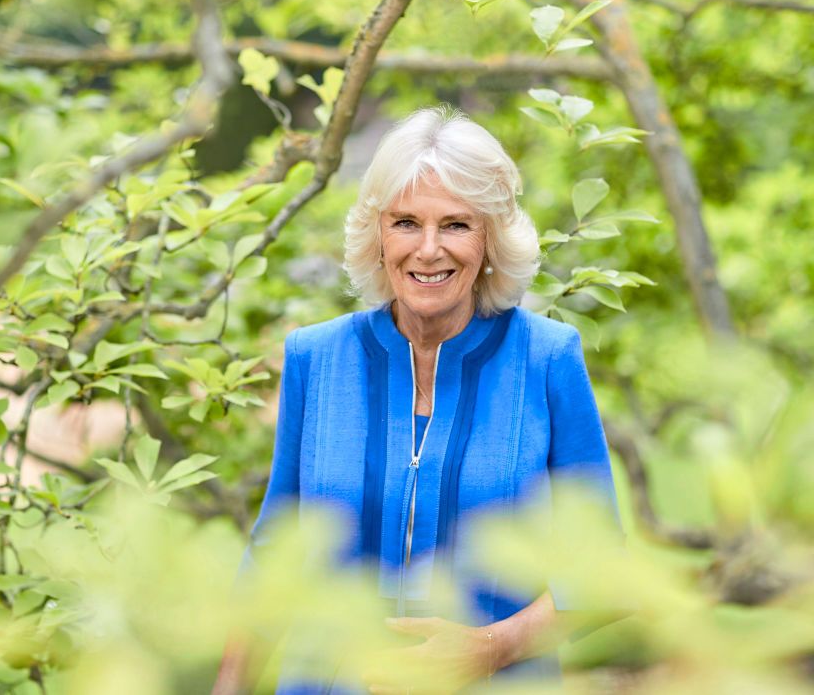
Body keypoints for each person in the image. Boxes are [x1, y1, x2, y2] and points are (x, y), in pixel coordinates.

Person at [214, 106, 624, 693]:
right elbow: (274, 554)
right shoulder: (315, 358)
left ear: (490, 241)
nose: (428, 249)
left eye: (456, 225)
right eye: (406, 222)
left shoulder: (548, 358)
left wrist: (487, 648)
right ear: (377, 236)